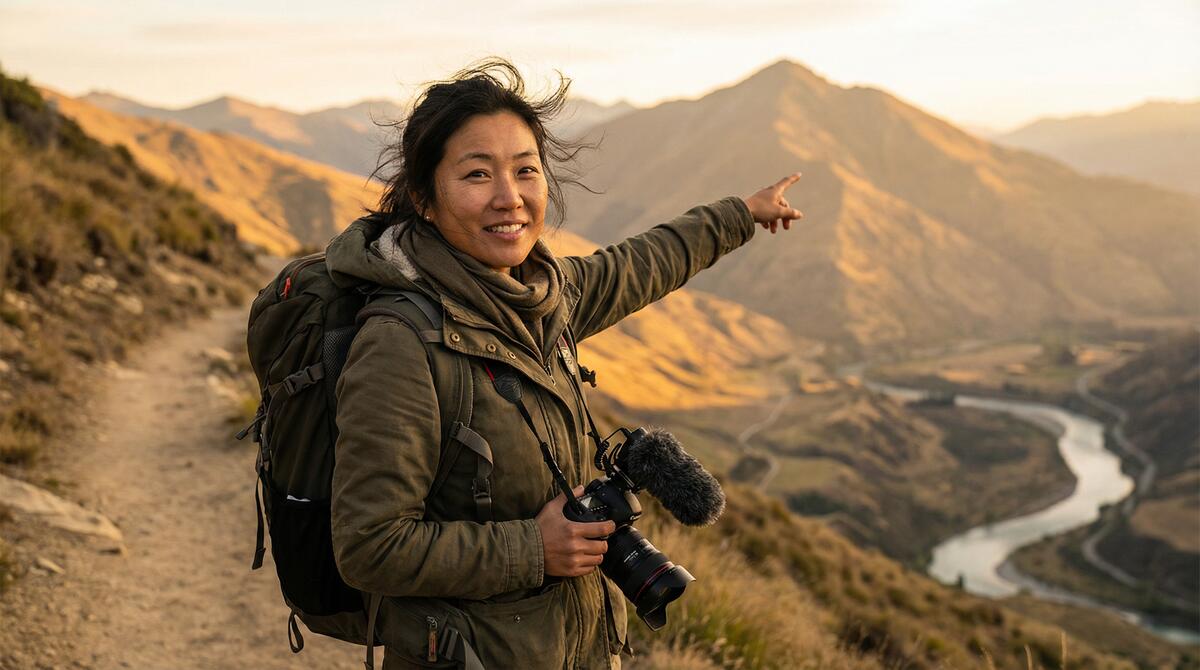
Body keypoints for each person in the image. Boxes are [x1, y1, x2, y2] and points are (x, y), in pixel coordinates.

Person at [325, 58, 803, 670]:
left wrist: (742, 214)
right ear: (424, 198)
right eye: (477, 174)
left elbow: (641, 262)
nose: (510, 198)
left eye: (526, 170)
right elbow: (369, 547)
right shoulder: (400, 344)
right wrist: (533, 549)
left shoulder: (541, 296)